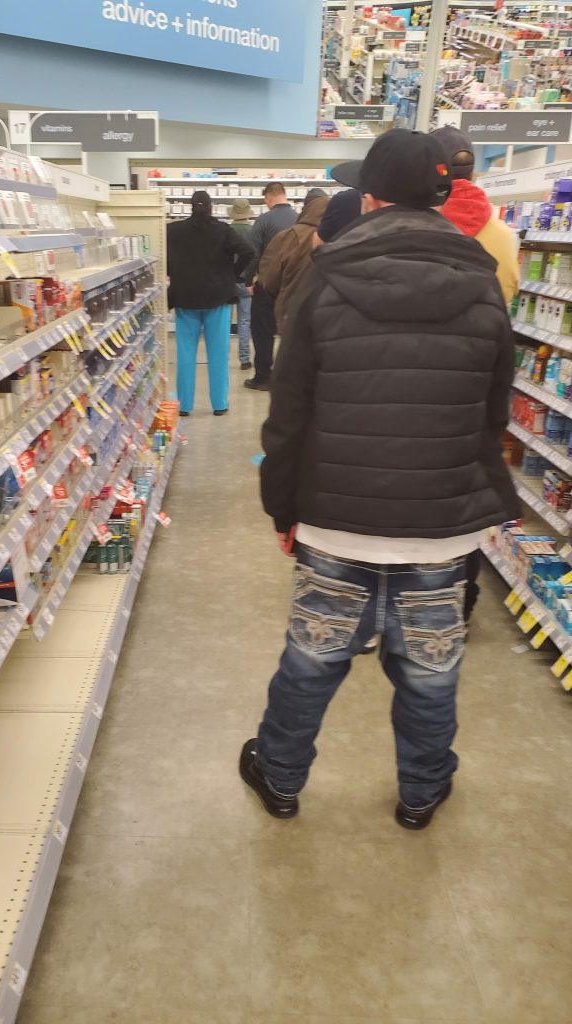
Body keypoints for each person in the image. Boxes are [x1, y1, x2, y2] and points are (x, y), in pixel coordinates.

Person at [239, 129, 520, 831]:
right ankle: (421, 792)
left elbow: (289, 415)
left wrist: (283, 510)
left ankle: (279, 775)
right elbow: (492, 413)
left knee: (311, 663)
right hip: (441, 531)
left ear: (368, 198)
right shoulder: (484, 283)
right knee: (430, 672)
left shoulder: (327, 279)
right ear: (441, 196)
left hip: (337, 521)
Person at [432, 125, 520, 623]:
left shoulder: (423, 227)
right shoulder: (503, 235)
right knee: (464, 492)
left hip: (426, 373)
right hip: (480, 379)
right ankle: (459, 603)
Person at [167, 190, 254, 417]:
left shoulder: (173, 230)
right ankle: (219, 404)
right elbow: (248, 251)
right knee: (218, 353)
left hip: (185, 298)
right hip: (218, 297)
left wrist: (174, 273)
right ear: (211, 207)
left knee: (185, 353)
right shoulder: (223, 230)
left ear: (190, 207)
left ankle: (184, 405)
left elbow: (162, 256)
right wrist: (233, 274)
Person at [432, 125, 519, 306]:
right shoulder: (504, 235)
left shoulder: (417, 228)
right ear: (472, 172)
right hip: (488, 322)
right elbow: (509, 289)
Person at [243, 182, 297, 392]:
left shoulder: (264, 220)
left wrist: (249, 280)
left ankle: (263, 377)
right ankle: (289, 377)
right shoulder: (299, 218)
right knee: (291, 332)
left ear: (269, 198)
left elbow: (253, 253)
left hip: (267, 285)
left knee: (263, 332)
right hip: (293, 285)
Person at [258, 188, 329, 327]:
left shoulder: (288, 236)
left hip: (292, 313)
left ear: (305, 208)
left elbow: (269, 279)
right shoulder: (343, 234)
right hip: (329, 315)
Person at [229, 198, 254, 371]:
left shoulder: (227, 231)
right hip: (247, 282)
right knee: (244, 321)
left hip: (228, 282)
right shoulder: (253, 231)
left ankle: (222, 358)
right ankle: (244, 359)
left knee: (224, 322)